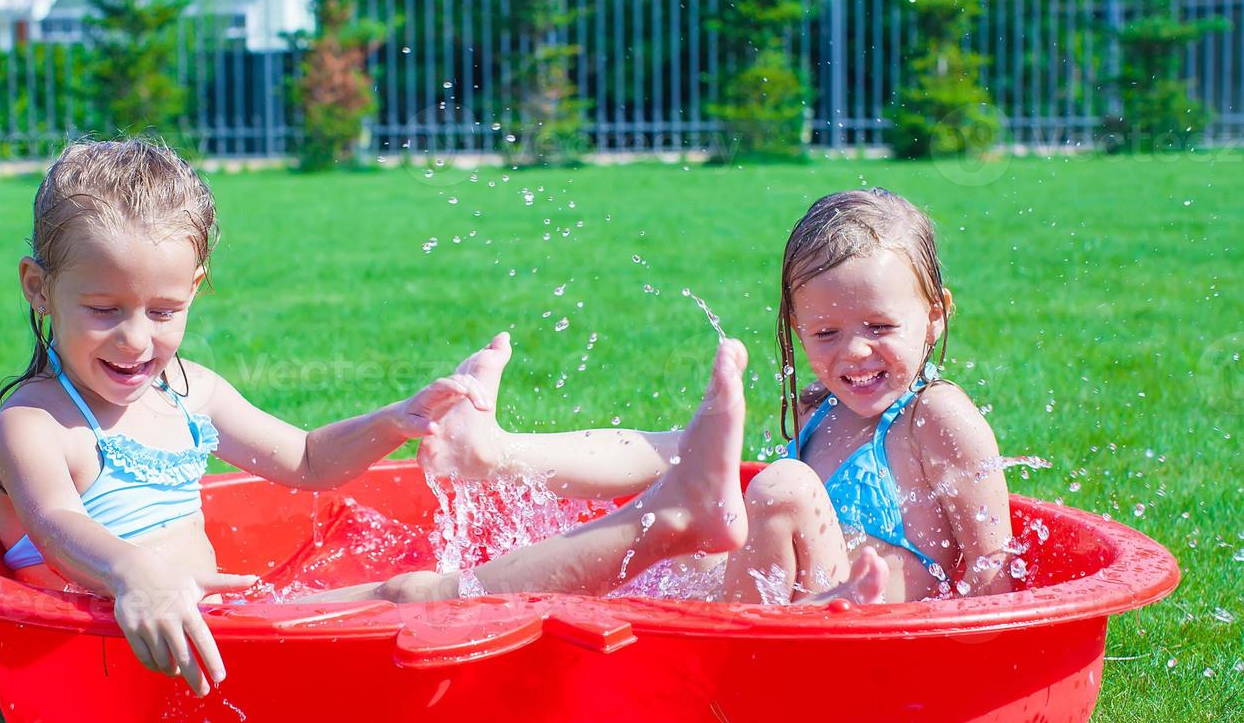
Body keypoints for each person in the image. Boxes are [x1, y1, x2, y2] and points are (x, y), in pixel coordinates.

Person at [0, 139, 754, 698]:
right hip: (124, 660)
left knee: (431, 572)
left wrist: (397, 418)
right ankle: (667, 517)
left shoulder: (189, 393)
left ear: (196, 289)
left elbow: (310, 460)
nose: (138, 338)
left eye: (164, 309)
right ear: (38, 289)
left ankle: (678, 517)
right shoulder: (35, 422)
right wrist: (135, 574)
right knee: (412, 595)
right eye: (104, 310)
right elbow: (54, 524)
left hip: (225, 630)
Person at [331, 187, 1015, 605]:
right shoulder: (821, 411)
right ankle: (497, 453)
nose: (854, 353)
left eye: (879, 327)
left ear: (937, 315)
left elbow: (989, 568)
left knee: (777, 489)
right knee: (683, 465)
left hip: (863, 623)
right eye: (826, 332)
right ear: (795, 329)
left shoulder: (936, 417)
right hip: (790, 601)